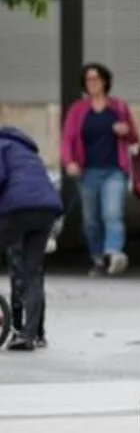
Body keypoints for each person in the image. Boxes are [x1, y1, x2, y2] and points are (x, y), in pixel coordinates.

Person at [59, 62, 140, 276]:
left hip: (115, 170)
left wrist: (126, 132)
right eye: (88, 79)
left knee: (112, 214)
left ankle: (113, 254)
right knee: (91, 222)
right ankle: (98, 258)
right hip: (87, 172)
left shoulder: (119, 107)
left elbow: (134, 139)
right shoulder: (78, 110)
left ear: (105, 81)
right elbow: (67, 139)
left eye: (96, 78)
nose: (92, 83)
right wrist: (69, 162)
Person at [0, 126, 64, 351]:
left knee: (18, 265)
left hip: (17, 210)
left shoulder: (2, 146)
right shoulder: (29, 153)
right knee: (33, 273)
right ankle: (32, 334)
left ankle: (18, 327)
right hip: (46, 211)